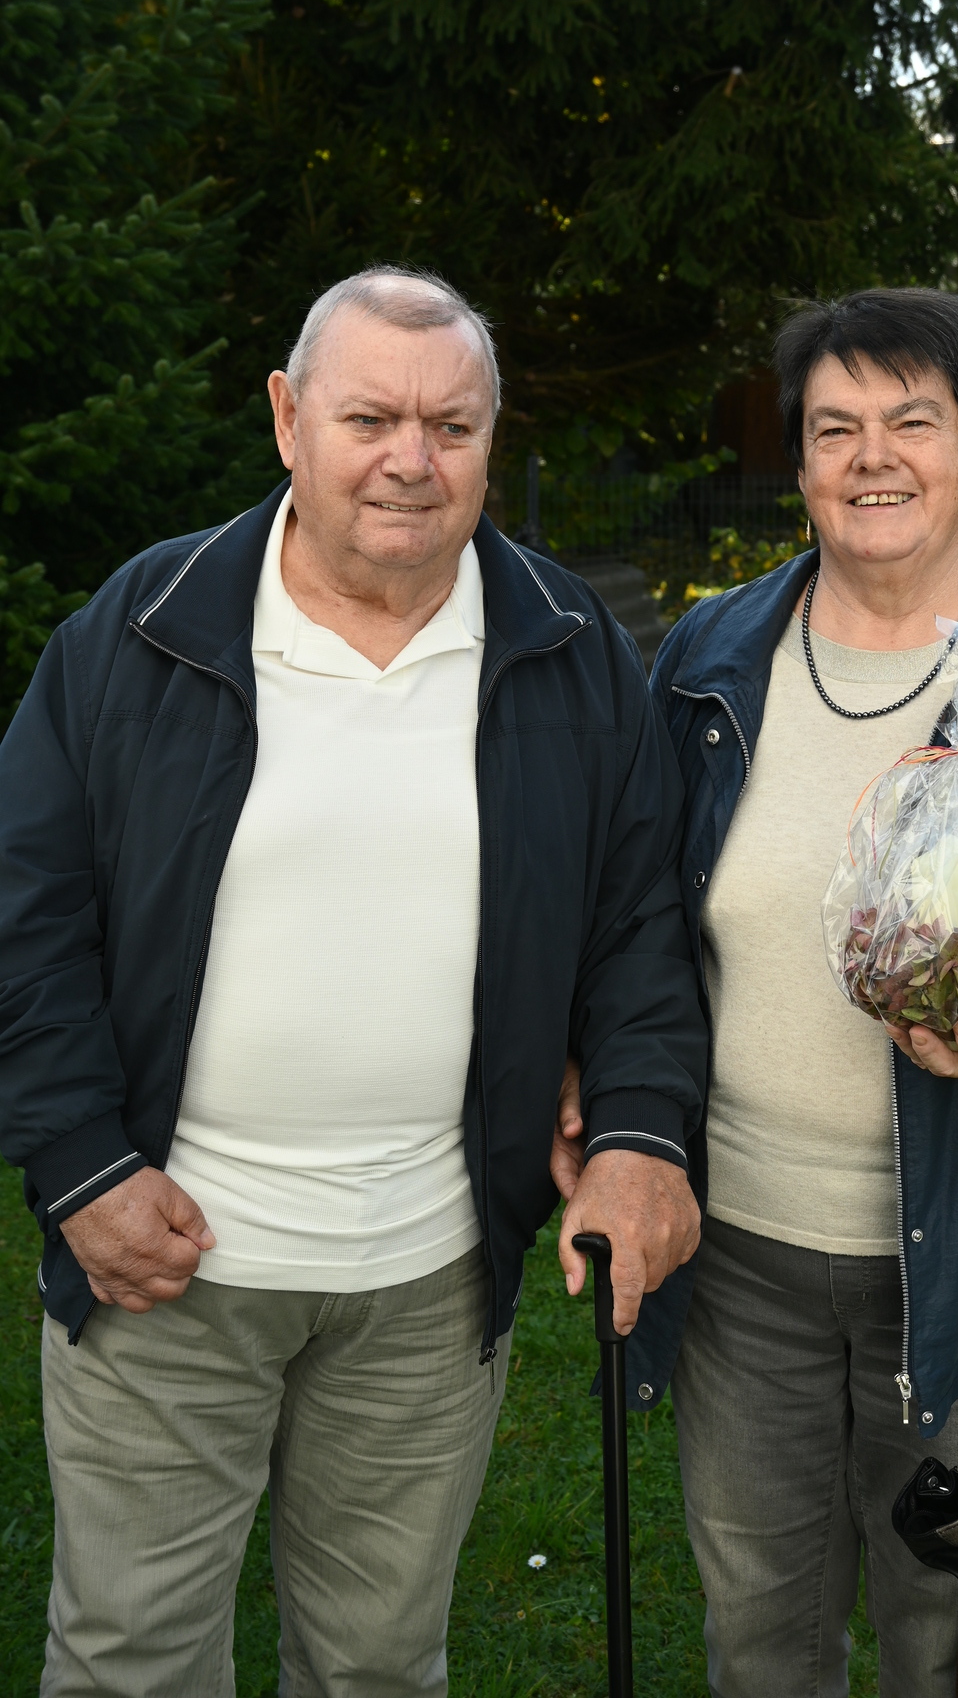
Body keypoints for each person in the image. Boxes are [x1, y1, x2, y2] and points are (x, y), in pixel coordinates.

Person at [0, 266, 706, 1698]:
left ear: (492, 437)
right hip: (167, 1257)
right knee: (130, 1663)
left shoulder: (568, 649)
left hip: (428, 1275)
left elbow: (639, 927)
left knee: (378, 1668)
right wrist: (78, 1164)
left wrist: (640, 1131)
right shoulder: (145, 626)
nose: (411, 461)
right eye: (370, 419)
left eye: (452, 426)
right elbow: (26, 908)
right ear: (287, 419)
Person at [561, 287, 958, 1695]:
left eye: (912, 421)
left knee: (946, 1633)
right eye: (832, 426)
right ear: (798, 461)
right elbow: (637, 917)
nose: (871, 458)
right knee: (760, 1634)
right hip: (744, 1246)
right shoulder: (713, 657)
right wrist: (601, 1086)